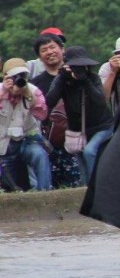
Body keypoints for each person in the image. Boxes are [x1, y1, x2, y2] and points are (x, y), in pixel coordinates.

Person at [44, 46, 114, 185]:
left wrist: (85, 80)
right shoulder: (63, 80)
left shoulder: (93, 78)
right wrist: (61, 79)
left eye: (81, 66)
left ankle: (96, 186)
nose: (78, 69)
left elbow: (100, 101)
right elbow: (49, 101)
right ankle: (85, 190)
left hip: (102, 127)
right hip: (78, 130)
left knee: (89, 151)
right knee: (80, 157)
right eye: (75, 66)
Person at [25, 31, 79, 188]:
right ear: (39, 57)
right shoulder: (35, 84)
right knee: (53, 186)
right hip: (50, 142)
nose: (49, 52)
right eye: (44, 50)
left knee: (79, 185)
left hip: (77, 137)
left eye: (52, 47)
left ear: (62, 50)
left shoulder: (78, 74)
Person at [0, 58, 52, 191]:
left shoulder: (33, 91)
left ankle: (45, 193)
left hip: (26, 140)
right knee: (10, 184)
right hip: (4, 144)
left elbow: (42, 115)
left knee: (40, 155)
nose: (19, 80)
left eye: (22, 76)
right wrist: (4, 92)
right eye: (15, 76)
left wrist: (29, 97)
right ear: (6, 77)